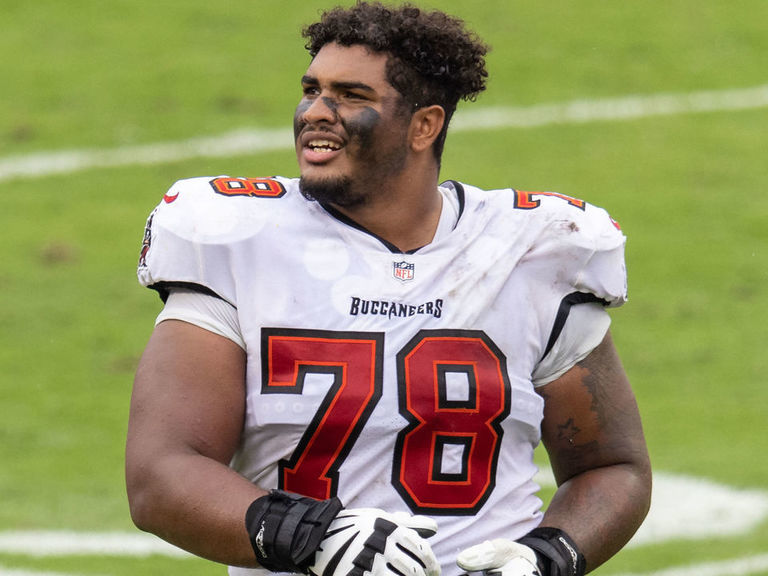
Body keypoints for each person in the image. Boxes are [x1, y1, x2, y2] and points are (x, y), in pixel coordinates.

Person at [126, 3, 652, 576]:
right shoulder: (238, 239)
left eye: (351, 95)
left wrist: (548, 556)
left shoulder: (531, 250)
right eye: (311, 89)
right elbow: (161, 474)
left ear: (424, 125)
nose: (316, 113)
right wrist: (311, 537)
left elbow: (611, 466)